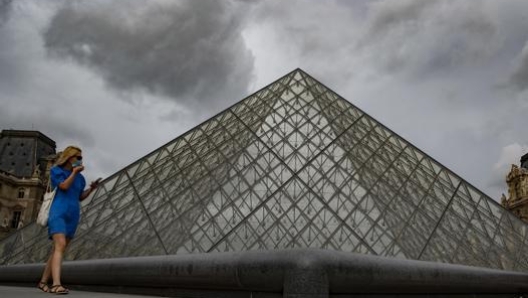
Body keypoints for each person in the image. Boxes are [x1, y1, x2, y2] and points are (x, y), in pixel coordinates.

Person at [37, 146, 101, 294]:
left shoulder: (81, 178)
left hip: (73, 214)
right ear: (69, 157)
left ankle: (42, 282)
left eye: (81, 158)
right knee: (60, 245)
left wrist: (91, 189)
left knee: (58, 249)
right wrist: (73, 172)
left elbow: (79, 196)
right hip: (58, 211)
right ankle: (56, 284)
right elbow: (64, 186)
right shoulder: (56, 171)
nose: (80, 160)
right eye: (78, 157)